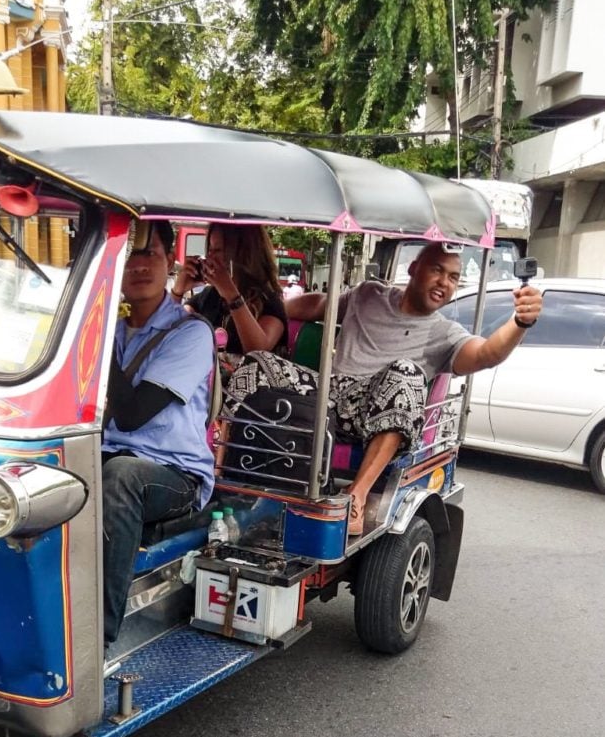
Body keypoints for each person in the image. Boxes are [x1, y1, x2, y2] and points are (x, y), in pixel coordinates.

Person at [224, 242, 544, 535]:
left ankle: (356, 498)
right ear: (413, 269)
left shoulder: (445, 333)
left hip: (375, 411)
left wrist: (519, 323)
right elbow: (319, 305)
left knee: (405, 370)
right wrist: (271, 308)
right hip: (327, 395)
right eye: (437, 270)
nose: (444, 283)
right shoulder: (368, 295)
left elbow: (487, 353)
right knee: (258, 361)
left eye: (453, 277)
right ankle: (221, 469)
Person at [102, 220, 215, 649]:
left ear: (170, 261)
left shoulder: (190, 333)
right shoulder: (112, 329)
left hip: (173, 474)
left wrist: (92, 335)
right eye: (128, 254)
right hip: (108, 455)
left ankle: (97, 639)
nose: (138, 265)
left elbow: (131, 415)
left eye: (149, 253)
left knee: (122, 477)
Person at [171, 224, 287, 362]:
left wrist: (231, 294)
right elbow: (169, 329)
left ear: (243, 254)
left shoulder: (267, 299)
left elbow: (256, 352)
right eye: (210, 250)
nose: (210, 257)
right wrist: (178, 291)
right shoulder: (210, 296)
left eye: (218, 250)